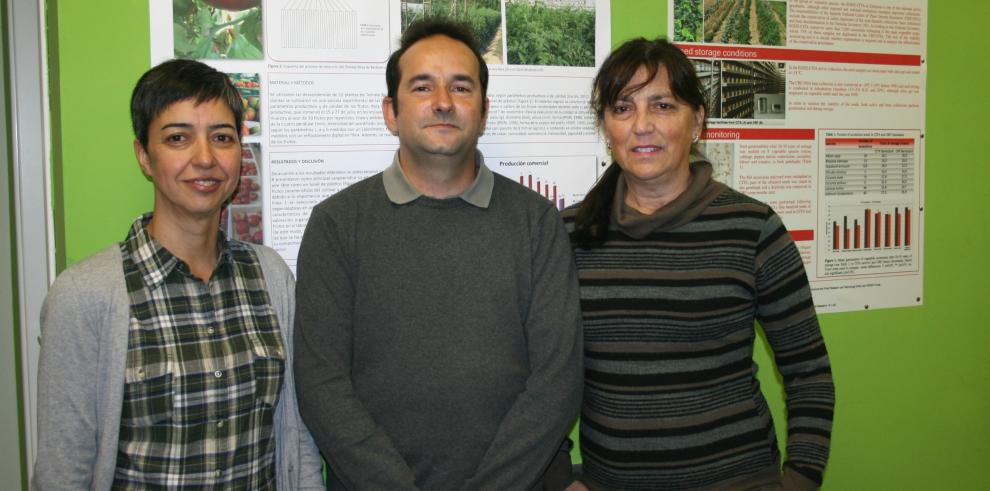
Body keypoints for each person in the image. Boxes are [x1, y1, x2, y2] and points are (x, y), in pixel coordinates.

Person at [293, 19, 583, 491]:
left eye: (461, 87)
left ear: (484, 111)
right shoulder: (337, 224)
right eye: (423, 86)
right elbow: (321, 386)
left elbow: (558, 380)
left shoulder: (536, 221)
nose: (443, 102)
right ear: (391, 111)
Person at [32, 59, 323, 489]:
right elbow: (64, 470)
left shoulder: (271, 278)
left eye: (221, 137)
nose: (204, 158)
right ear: (144, 156)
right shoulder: (84, 296)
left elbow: (297, 438)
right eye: (178, 138)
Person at [558, 38, 835, 490]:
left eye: (663, 105)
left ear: (697, 121)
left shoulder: (753, 228)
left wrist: (800, 479)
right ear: (606, 126)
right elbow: (536, 375)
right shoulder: (568, 235)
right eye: (623, 108)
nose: (641, 126)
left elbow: (809, 373)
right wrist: (556, 475)